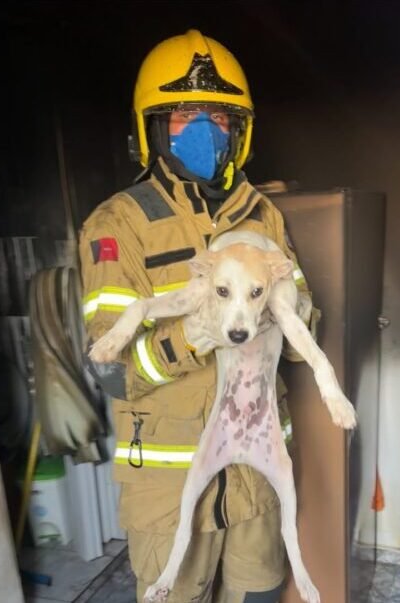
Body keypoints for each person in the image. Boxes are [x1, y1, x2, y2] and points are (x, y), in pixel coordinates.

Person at [79, 29, 318, 603]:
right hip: (171, 491)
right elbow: (112, 372)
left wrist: (292, 312)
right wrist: (190, 336)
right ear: (153, 129)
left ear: (240, 131)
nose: (205, 130)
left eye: (219, 117)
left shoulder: (263, 216)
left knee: (260, 595)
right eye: (185, 116)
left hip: (255, 483)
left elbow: (302, 331)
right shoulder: (119, 224)